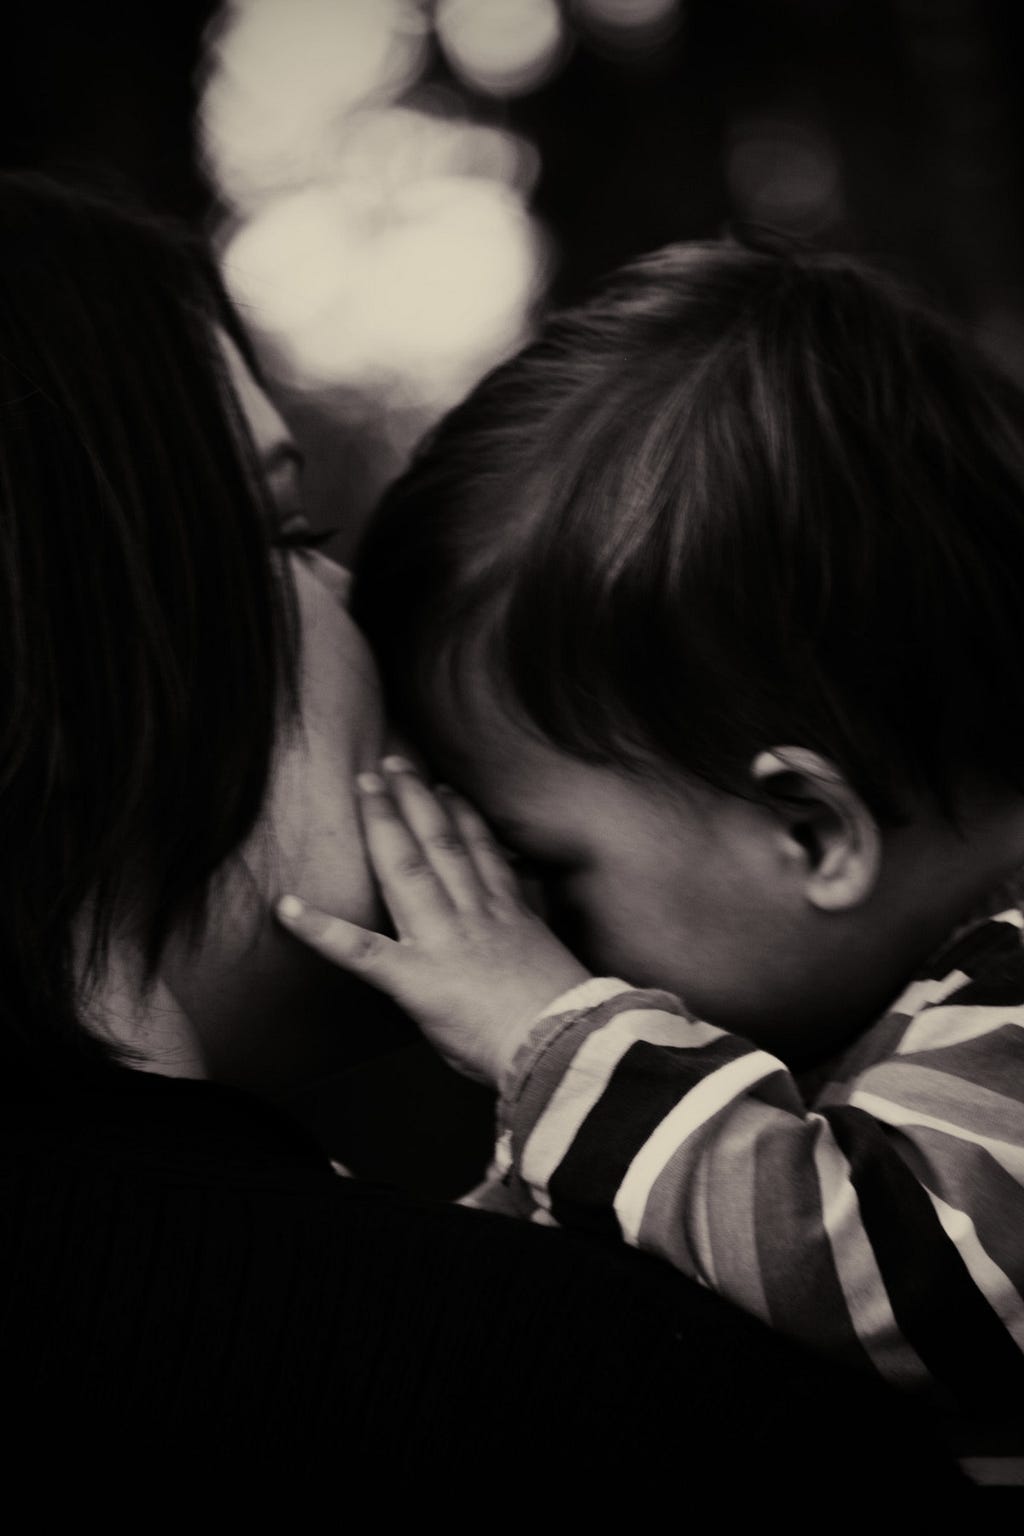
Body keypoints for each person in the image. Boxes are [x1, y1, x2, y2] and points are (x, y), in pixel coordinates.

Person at [0, 176, 971, 1507]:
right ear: (87, 646)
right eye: (287, 535)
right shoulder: (579, 1412)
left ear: (812, 826)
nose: (357, 618)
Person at [276, 240, 1024, 1481]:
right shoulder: (892, 1003)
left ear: (810, 833)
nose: (535, 937)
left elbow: (916, 1284)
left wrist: (553, 1040)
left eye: (551, 870)